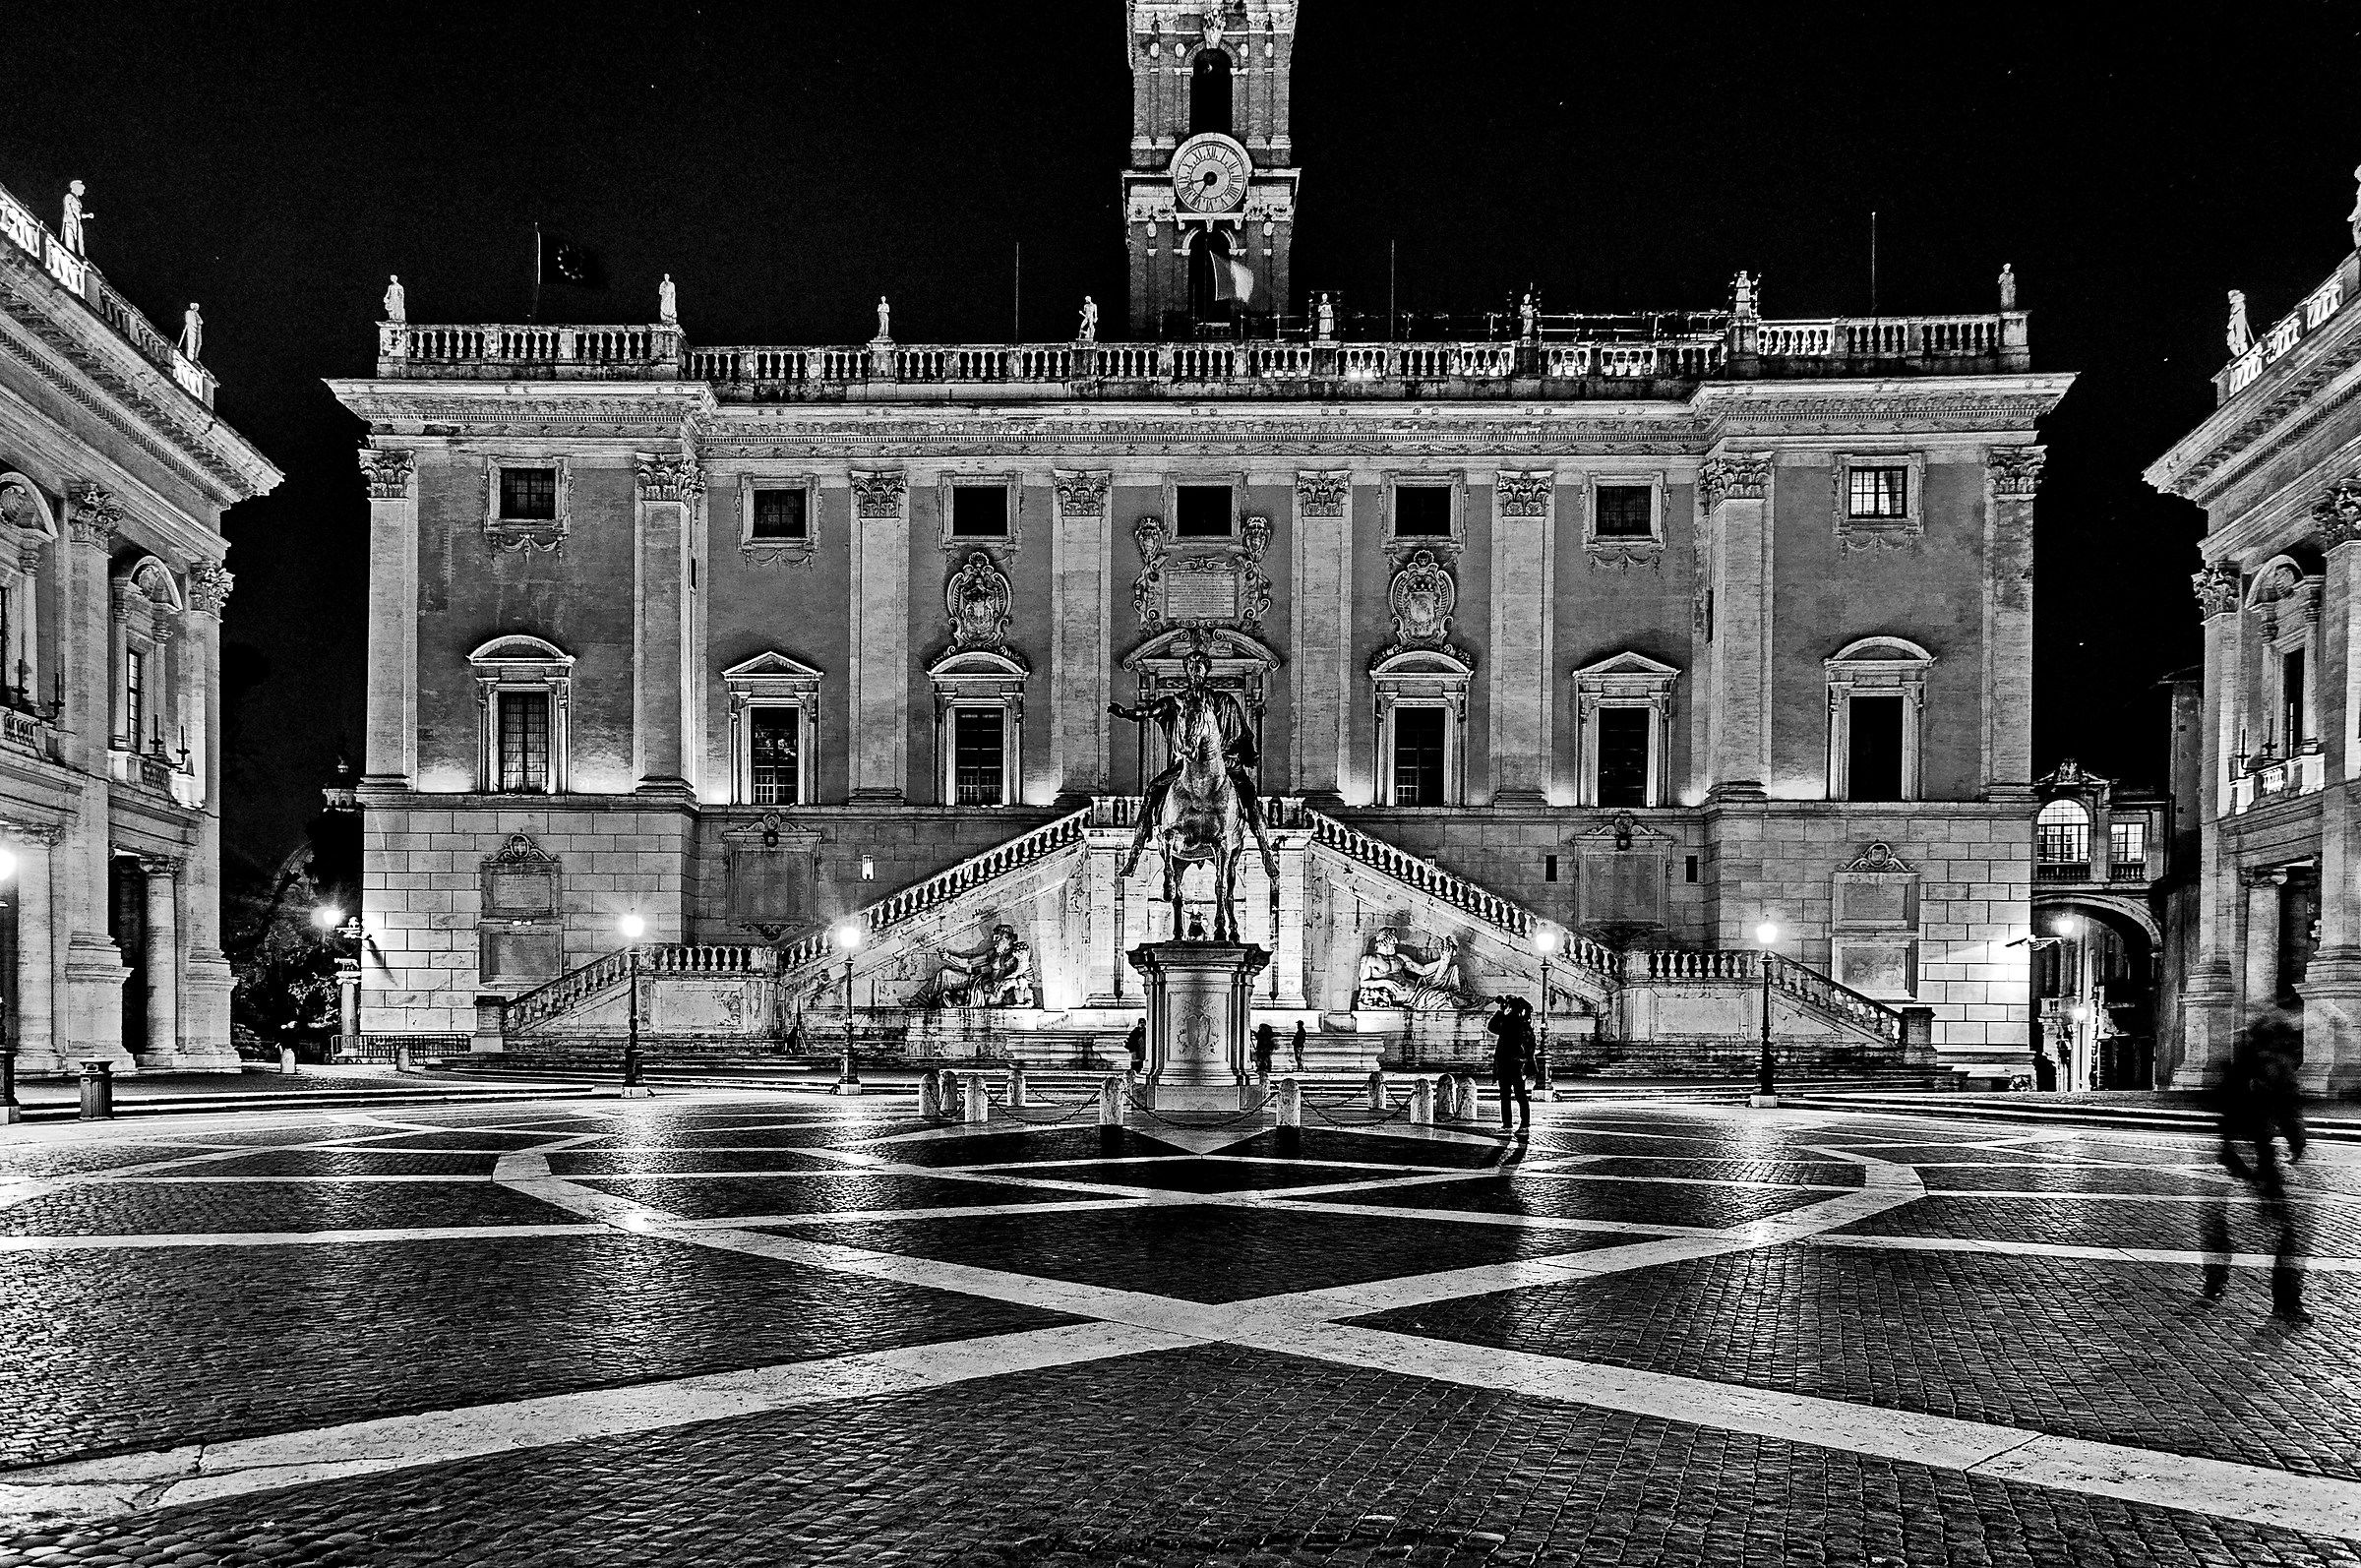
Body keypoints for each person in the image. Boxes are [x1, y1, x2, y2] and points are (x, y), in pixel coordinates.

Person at [2203, 1009, 2310, 1322]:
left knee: (2218, 1221)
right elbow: (2289, 1109)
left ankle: (2215, 1281)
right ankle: (2287, 1301)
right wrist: (2296, 1143)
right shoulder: (2277, 1064)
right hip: (2260, 1156)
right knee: (2292, 1230)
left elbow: (2223, 1107)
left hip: (2235, 1154)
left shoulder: (2239, 1064)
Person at [1486, 996, 1535, 1135]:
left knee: (1506, 1096)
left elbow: (1492, 1026)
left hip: (1507, 1063)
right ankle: (1524, 1125)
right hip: (1517, 1064)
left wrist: (1501, 1011)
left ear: (1511, 1007)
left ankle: (1508, 1125)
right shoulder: (1524, 1022)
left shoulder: (1509, 1021)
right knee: (1520, 1096)